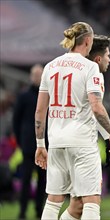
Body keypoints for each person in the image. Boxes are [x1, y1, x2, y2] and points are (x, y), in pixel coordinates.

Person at [34, 22, 110, 220]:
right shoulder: (90, 68)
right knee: (91, 201)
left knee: (53, 200)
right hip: (81, 142)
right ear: (88, 41)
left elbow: (40, 111)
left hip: (55, 141)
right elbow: (96, 107)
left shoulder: (50, 66)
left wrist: (40, 144)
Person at [12, 64, 47, 219]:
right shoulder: (24, 96)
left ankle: (39, 210)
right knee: (25, 180)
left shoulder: (48, 95)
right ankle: (22, 211)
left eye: (40, 75)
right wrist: (20, 141)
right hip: (27, 145)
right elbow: (16, 120)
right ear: (31, 76)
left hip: (44, 144)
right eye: (35, 75)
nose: (37, 78)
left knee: (43, 180)